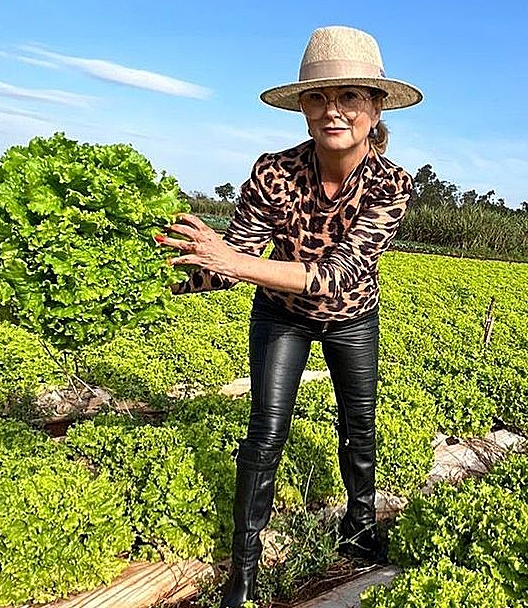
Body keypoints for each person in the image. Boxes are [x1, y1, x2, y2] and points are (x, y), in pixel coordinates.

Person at [157, 25, 422, 608]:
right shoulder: (273, 172)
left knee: (360, 425)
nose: (334, 110)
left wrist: (233, 261)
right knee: (266, 431)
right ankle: (244, 570)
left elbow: (341, 274)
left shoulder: (391, 183)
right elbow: (236, 255)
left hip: (352, 314)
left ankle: (358, 530)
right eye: (318, 97)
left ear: (375, 108)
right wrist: (169, 272)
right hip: (282, 315)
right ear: (302, 108)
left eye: (350, 96)